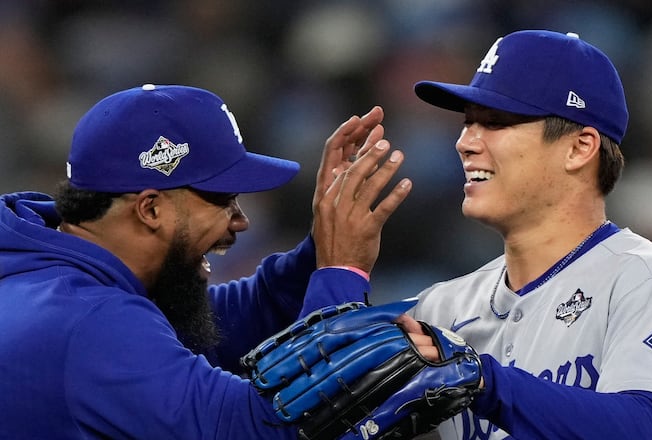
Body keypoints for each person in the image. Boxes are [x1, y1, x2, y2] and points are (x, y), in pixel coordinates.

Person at [0, 84, 420, 439]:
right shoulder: (90, 322)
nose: (241, 220)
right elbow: (270, 426)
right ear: (150, 209)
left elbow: (204, 326)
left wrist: (318, 252)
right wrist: (341, 271)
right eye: (223, 199)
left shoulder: (41, 271)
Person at [405, 30, 652, 439]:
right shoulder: (441, 308)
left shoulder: (642, 281)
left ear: (579, 148)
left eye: (495, 122)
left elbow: (645, 428)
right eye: (468, 122)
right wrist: (334, 267)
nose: (465, 142)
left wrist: (485, 383)